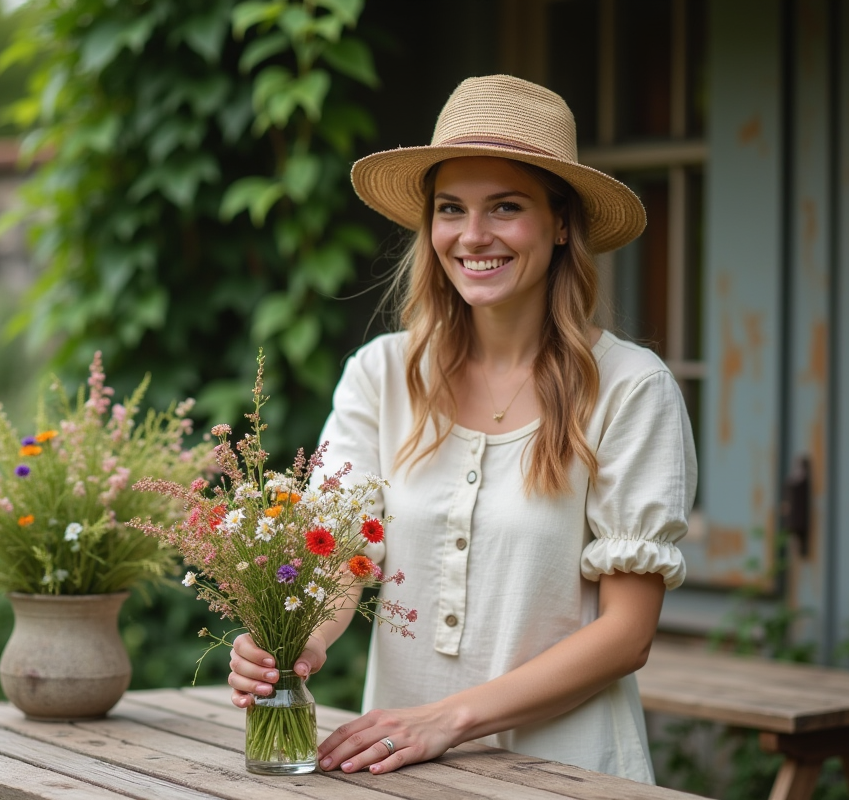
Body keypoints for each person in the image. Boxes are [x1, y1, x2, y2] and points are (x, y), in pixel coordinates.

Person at [226, 74, 697, 784]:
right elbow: (338, 560)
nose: (473, 236)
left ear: (561, 222)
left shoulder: (630, 389)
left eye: (505, 207)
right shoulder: (382, 375)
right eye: (452, 209)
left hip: (569, 775)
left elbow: (627, 635)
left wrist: (448, 718)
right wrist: (298, 641)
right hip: (398, 772)